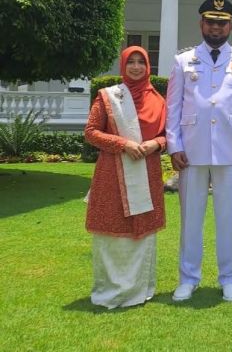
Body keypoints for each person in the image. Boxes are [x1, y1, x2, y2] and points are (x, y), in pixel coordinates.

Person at [166, 0, 232, 303]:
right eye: (211, 21)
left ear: (230, 25)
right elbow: (173, 106)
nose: (216, 27)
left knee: (228, 220)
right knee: (190, 219)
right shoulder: (183, 60)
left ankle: (229, 278)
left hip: (231, 150)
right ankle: (188, 278)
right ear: (201, 24)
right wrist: (174, 145)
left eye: (222, 22)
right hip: (191, 150)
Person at [85, 46, 166, 309]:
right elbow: (91, 132)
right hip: (113, 172)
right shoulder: (109, 97)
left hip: (147, 169)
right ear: (122, 66)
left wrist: (157, 143)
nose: (135, 67)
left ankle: (138, 289)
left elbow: (169, 134)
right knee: (113, 227)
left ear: (148, 67)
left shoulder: (158, 100)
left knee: (141, 228)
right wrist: (123, 144)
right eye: (130, 62)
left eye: (140, 62)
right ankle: (111, 290)